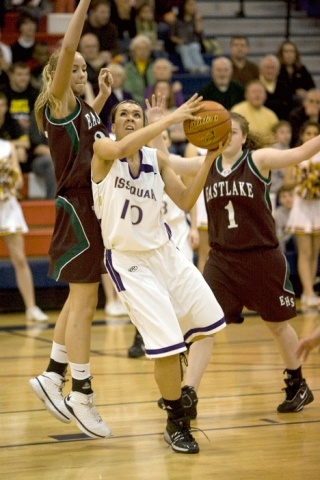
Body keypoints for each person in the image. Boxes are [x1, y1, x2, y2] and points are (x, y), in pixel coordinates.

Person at [159, 111, 319, 418]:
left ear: (244, 138)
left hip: (261, 257)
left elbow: (300, 152)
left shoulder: (259, 160)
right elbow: (167, 163)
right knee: (204, 326)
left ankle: (297, 382)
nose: (227, 137)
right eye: (222, 132)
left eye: (232, 132)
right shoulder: (206, 163)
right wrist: (158, 125)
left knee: (277, 325)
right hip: (222, 260)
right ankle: (188, 392)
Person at [91, 95, 227, 454]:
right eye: (125, 114)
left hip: (166, 254)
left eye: (137, 114)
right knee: (166, 347)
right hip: (129, 260)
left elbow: (184, 201)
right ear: (113, 122)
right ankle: (176, 422)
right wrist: (168, 120)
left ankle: (184, 387)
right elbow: (121, 147)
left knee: (211, 320)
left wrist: (209, 160)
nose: (132, 118)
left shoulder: (158, 158)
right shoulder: (103, 149)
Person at [29, 0, 114, 440]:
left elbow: (85, 140)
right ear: (60, 73)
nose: (79, 71)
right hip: (79, 210)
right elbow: (66, 49)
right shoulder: (60, 100)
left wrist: (99, 96)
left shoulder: (81, 108)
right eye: (74, 67)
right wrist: (82, 5)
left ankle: (52, 374)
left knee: (75, 300)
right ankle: (81, 394)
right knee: (86, 303)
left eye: (84, 68)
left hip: (88, 209)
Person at [128, 128, 199, 358]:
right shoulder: (138, 165)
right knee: (152, 290)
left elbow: (190, 196)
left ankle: (184, 334)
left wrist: (195, 226)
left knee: (180, 287)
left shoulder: (176, 163)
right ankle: (142, 336)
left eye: (165, 138)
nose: (160, 141)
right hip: (152, 235)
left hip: (178, 230)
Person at [0, 139, 48, 322]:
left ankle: (31, 307)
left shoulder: (7, 146)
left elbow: (19, 181)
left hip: (7, 206)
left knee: (19, 258)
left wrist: (8, 182)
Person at [285, 120, 320, 309]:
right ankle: (307, 291)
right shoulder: (297, 155)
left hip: (318, 206)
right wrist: (304, 178)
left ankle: (310, 292)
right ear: (302, 136)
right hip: (302, 208)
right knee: (304, 252)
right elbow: (288, 181)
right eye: (308, 133)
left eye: (315, 133)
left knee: (315, 252)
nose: (312, 137)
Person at [169, 0, 209, 74]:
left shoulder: (195, 19)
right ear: (184, 6)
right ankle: (191, 67)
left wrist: (198, 21)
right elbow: (171, 36)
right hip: (181, 44)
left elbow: (199, 34)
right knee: (184, 49)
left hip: (193, 43)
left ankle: (201, 66)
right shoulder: (177, 21)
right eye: (190, 5)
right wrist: (178, 40)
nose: (192, 7)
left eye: (194, 5)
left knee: (194, 47)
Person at [276, 39, 315, 106]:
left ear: (296, 54)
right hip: (283, 102)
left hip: (302, 103)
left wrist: (307, 93)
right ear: (281, 54)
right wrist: (295, 91)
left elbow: (312, 87)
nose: (289, 54)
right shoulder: (277, 69)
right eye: (286, 52)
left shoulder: (302, 69)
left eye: (292, 51)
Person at [5, 61, 39, 134]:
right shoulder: (3, 93)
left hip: (31, 133)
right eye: (19, 75)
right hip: (7, 132)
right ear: (10, 75)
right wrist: (16, 122)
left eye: (26, 74)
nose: (24, 78)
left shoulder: (35, 93)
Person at [27, 110, 56, 198]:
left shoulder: (67, 115)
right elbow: (36, 147)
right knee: (52, 162)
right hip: (40, 160)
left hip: (63, 157)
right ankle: (53, 202)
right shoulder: (38, 116)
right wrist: (59, 155)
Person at [99, 61, 133, 130]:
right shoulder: (103, 95)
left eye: (118, 75)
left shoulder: (128, 95)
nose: (116, 79)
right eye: (113, 76)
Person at [258, 54, 293, 121]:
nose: (270, 71)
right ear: (260, 70)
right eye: (267, 67)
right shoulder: (254, 85)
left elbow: (289, 106)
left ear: (278, 71)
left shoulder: (284, 86)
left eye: (273, 68)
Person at [123, 34, 154, 106]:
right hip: (134, 104)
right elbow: (128, 90)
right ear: (133, 51)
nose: (143, 51)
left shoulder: (155, 67)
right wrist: (144, 102)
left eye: (146, 48)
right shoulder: (127, 69)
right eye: (139, 48)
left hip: (154, 103)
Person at [273, 185, 296, 253]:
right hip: (286, 246)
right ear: (279, 200)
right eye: (284, 196)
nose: (287, 199)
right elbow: (278, 237)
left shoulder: (302, 213)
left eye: (291, 195)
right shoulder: (277, 215)